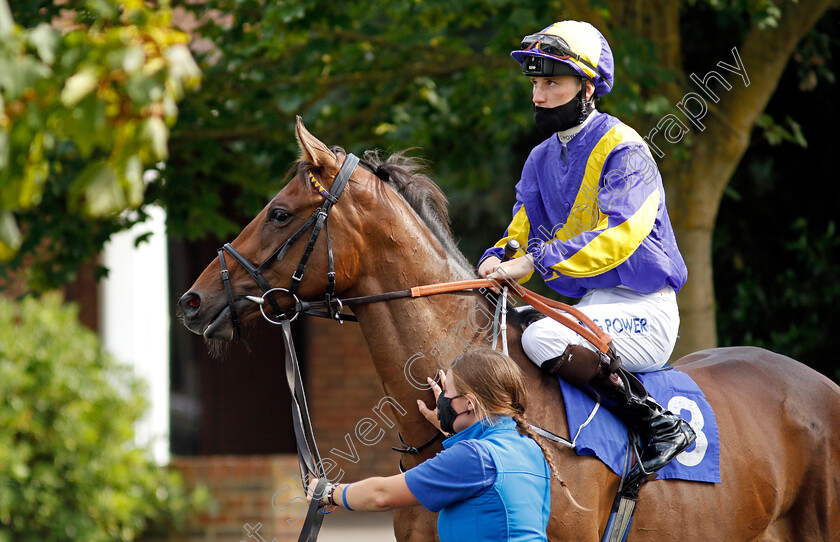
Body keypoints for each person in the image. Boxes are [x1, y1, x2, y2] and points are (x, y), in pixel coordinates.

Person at [477, 20, 695, 474]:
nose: (537, 96)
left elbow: (619, 237)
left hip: (646, 312)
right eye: (535, 83)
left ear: (588, 86)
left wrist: (533, 263)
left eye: (552, 83)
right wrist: (496, 257)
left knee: (538, 334)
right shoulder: (539, 159)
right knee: (502, 327)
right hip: (591, 308)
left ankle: (657, 423)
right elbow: (520, 229)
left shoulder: (626, 149)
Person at [307, 348, 585, 542]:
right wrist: (451, 424)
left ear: (468, 403)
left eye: (448, 391)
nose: (442, 398)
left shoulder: (475, 457)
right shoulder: (529, 449)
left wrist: (330, 493)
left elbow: (382, 494)